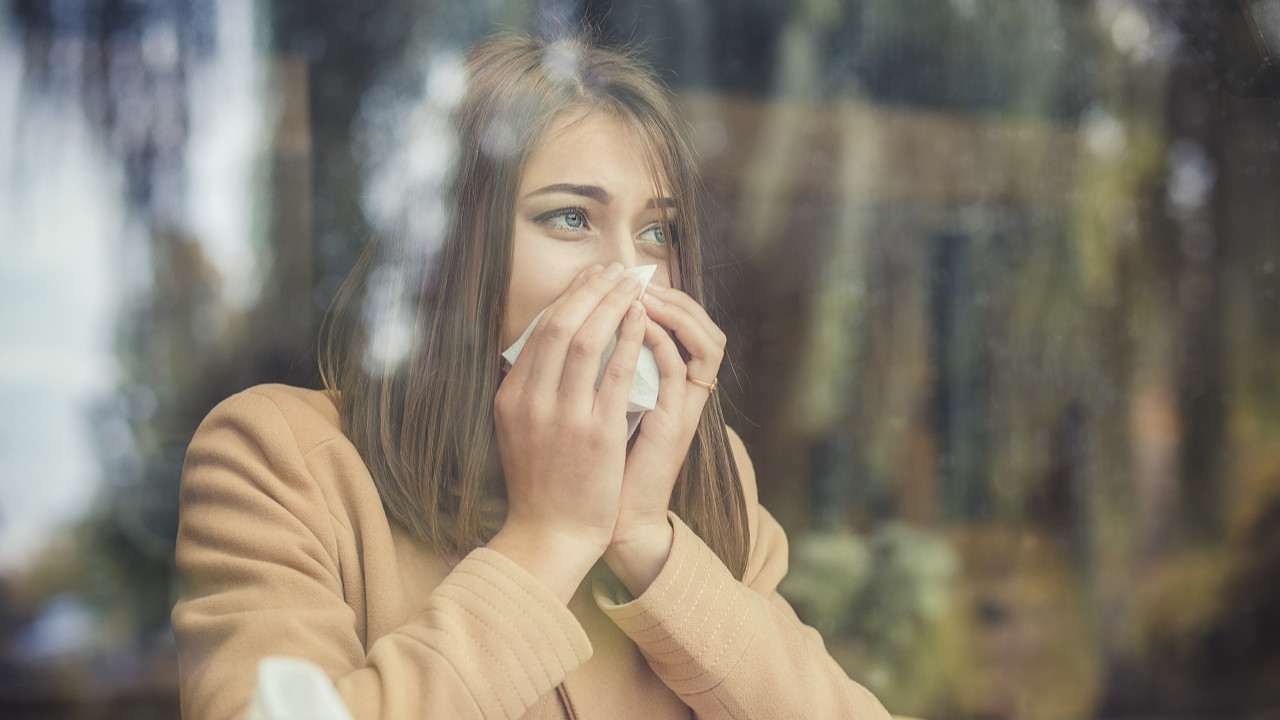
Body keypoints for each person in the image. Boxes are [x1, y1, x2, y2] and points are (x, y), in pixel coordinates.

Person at [172, 31, 891, 720]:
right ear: (451, 254)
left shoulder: (705, 477)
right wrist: (548, 537)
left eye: (657, 232)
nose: (627, 277)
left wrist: (647, 540)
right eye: (571, 217)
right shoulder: (278, 460)